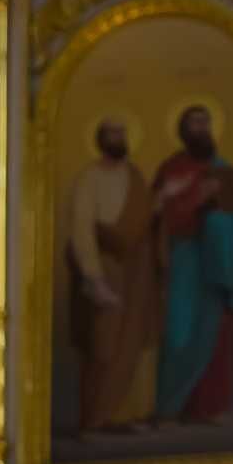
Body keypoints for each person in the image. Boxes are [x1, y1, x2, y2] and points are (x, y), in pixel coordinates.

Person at [152, 105, 233, 426]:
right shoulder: (172, 169)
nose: (202, 128)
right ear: (183, 130)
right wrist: (197, 195)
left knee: (215, 333)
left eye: (206, 122)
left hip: (218, 264)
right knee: (179, 332)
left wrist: (226, 225)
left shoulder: (224, 170)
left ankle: (207, 408)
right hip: (186, 257)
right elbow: (160, 215)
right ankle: (169, 407)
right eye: (195, 123)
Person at [66, 118, 156, 433]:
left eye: (122, 132)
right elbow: (81, 228)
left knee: (133, 340)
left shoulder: (135, 177)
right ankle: (94, 418)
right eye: (113, 133)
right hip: (105, 267)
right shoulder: (88, 178)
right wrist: (93, 277)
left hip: (135, 270)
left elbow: (147, 219)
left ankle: (124, 415)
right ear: (100, 139)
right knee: (102, 345)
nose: (119, 138)